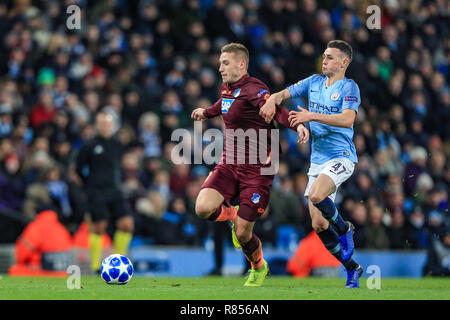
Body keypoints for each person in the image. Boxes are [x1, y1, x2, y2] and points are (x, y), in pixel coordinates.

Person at [191, 42, 309, 286]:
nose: (220, 67)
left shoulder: (255, 89)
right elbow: (224, 104)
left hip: (257, 170)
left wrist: (296, 123)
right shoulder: (227, 88)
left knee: (244, 232)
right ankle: (231, 214)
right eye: (220, 63)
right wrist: (206, 112)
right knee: (202, 208)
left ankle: (258, 266)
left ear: (241, 64)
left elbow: (275, 110)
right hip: (229, 163)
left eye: (225, 63)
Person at [259, 40, 364, 288]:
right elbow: (282, 94)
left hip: (341, 157)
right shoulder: (313, 81)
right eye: (324, 56)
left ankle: (346, 228)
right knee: (318, 224)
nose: (324, 60)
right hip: (317, 161)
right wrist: (270, 102)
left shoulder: (350, 87)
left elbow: (348, 120)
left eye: (329, 57)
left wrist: (310, 116)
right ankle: (353, 268)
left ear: (344, 62)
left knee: (317, 195)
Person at [75, 111, 134, 273]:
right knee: (99, 227)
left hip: (115, 189)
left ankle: (118, 260)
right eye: (101, 123)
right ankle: (95, 266)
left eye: (107, 123)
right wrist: (90, 185)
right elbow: (79, 169)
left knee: (127, 225)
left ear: (113, 125)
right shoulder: (89, 145)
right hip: (96, 191)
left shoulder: (117, 144)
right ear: (97, 125)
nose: (104, 126)